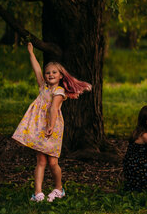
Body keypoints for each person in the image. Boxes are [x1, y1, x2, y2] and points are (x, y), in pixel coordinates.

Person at [12, 42, 91, 202]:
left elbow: (54, 109)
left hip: (52, 127)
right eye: (48, 72)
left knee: (53, 162)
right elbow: (37, 70)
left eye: (54, 72)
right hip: (40, 127)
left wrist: (50, 126)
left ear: (61, 75)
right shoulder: (44, 87)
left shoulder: (59, 91)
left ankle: (58, 188)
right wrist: (31, 53)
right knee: (40, 160)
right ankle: (38, 193)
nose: (50, 75)